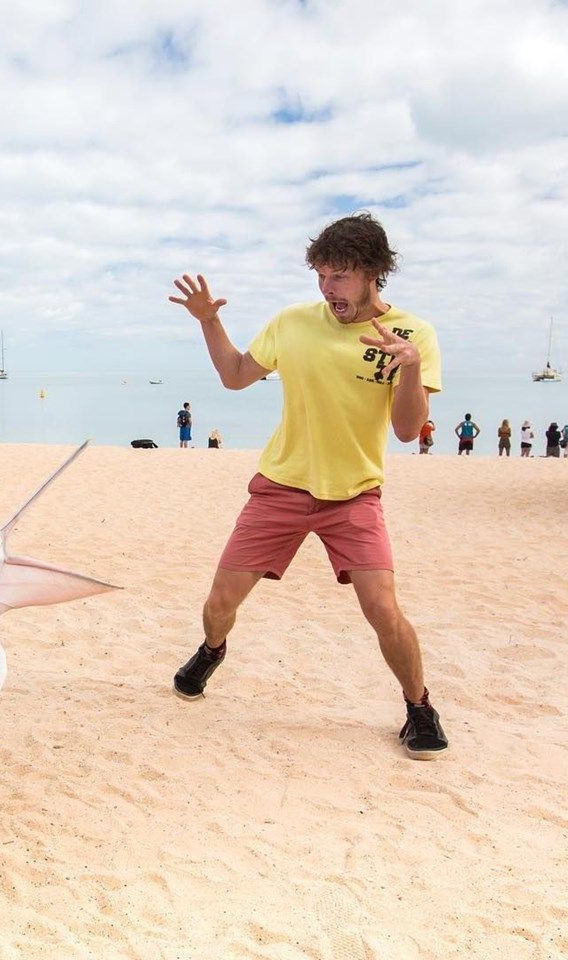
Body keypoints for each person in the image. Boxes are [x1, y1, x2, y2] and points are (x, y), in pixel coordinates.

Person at [168, 212, 447, 759]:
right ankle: (213, 649)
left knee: (383, 609)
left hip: (354, 495)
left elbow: (408, 430)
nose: (327, 288)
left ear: (372, 272)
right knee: (219, 603)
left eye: (339, 276)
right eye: (320, 275)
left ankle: (419, 706)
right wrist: (208, 321)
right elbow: (235, 375)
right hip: (282, 486)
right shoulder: (293, 322)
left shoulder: (413, 335)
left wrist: (411, 367)